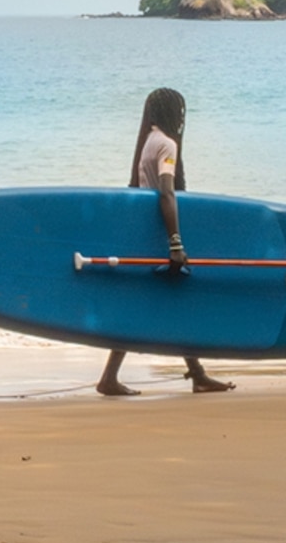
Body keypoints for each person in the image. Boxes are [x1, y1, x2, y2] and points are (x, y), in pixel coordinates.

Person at [96, 87, 233, 397]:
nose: (182, 118)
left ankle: (195, 374)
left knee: (170, 302)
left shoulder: (148, 141)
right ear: (172, 112)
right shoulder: (167, 144)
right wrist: (175, 243)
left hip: (148, 235)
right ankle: (113, 378)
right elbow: (167, 193)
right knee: (163, 303)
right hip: (159, 238)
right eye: (180, 112)